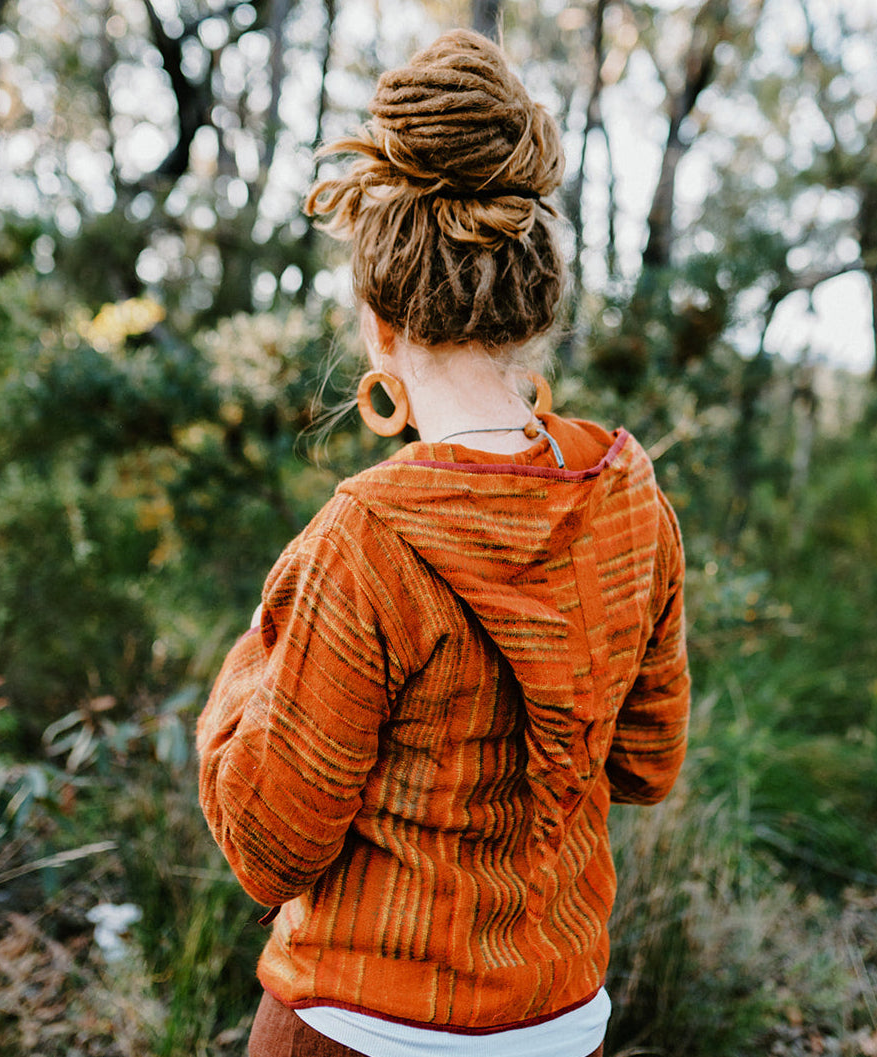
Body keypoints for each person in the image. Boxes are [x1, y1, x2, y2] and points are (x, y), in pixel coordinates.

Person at [197, 28, 691, 1057]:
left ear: (379, 321)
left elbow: (268, 845)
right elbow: (646, 763)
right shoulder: (630, 497)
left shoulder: (362, 541)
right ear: (537, 309)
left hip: (355, 1026)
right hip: (561, 1023)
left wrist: (257, 655)